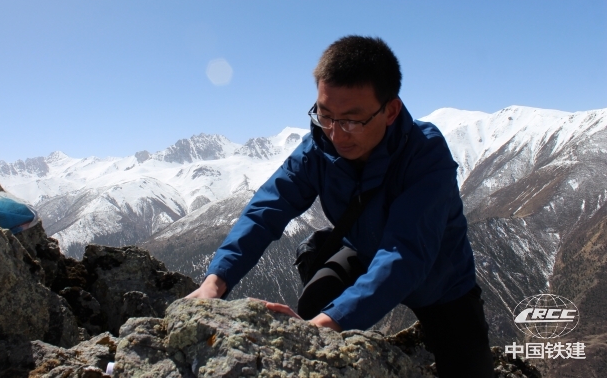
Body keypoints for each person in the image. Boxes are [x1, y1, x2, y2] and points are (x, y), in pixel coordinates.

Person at [187, 35, 494, 377]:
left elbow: (406, 254)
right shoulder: (317, 149)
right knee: (315, 304)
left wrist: (328, 324)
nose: (336, 134)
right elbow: (267, 209)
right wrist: (216, 280)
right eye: (325, 115)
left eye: (352, 120)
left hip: (442, 282)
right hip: (362, 253)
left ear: (390, 111)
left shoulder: (425, 154)